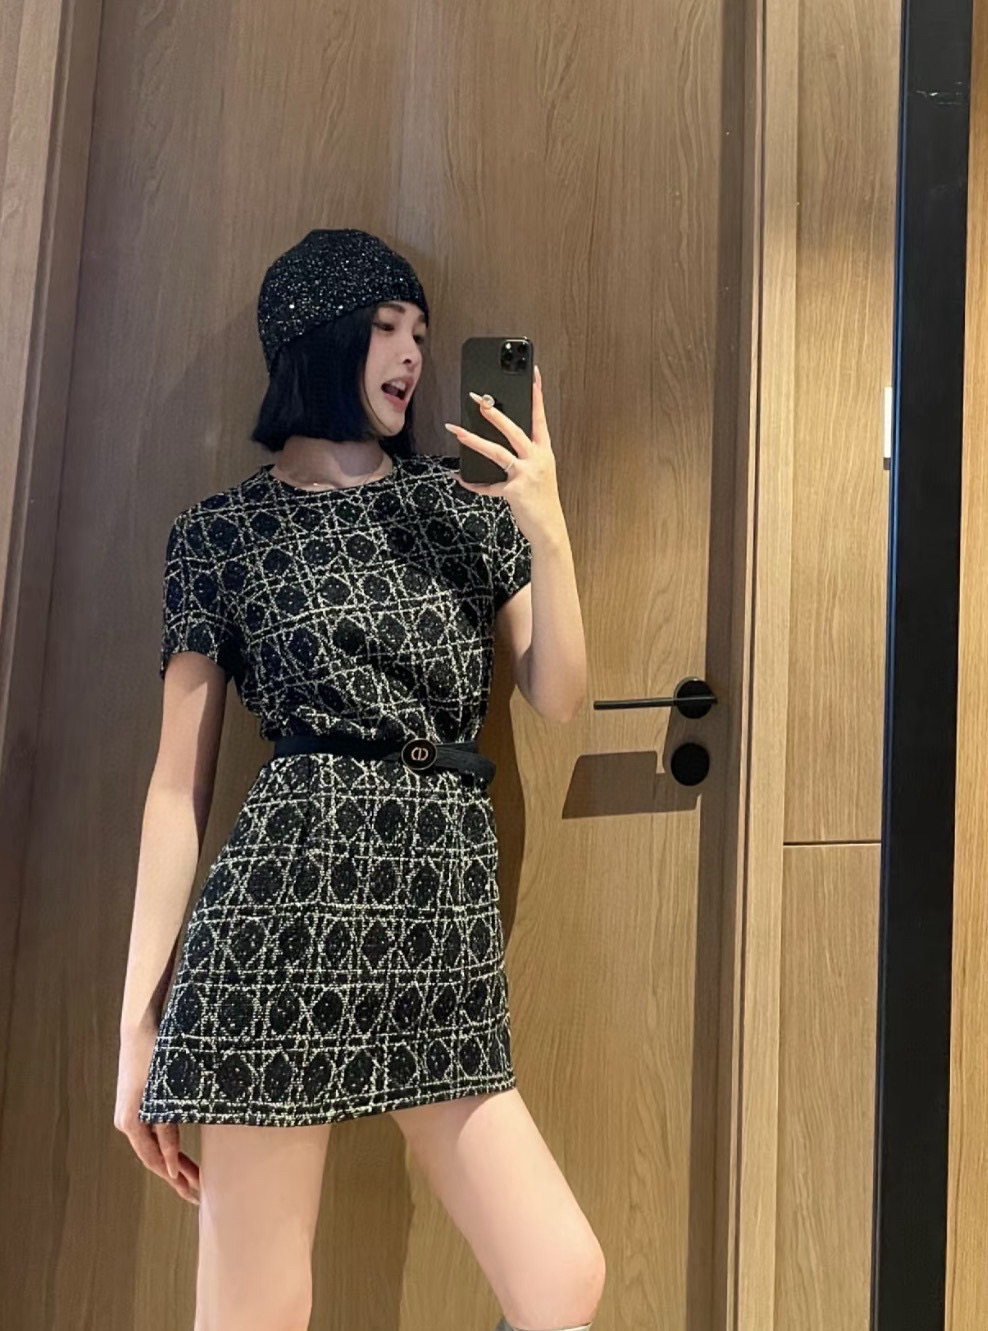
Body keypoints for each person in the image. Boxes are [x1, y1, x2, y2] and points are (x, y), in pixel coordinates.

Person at [115, 228, 603, 1331]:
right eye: (386, 326)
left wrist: (548, 526)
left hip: (436, 916)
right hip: (280, 926)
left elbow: (559, 692)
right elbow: (172, 790)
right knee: (258, 1306)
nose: (412, 354)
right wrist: (137, 1029)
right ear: (316, 337)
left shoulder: (460, 504)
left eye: (421, 331)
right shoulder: (221, 535)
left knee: (562, 1275)